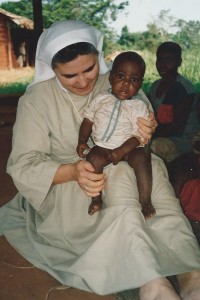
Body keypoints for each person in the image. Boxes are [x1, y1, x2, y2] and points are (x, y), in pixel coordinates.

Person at [0, 20, 200, 300]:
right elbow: (22, 164)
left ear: (98, 57)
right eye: (69, 75)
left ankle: (191, 272)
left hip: (125, 161)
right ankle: (150, 280)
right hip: (71, 184)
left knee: (150, 166)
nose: (83, 81)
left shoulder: (119, 76)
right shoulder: (36, 99)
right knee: (115, 175)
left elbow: (142, 128)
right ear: (52, 69)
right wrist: (73, 171)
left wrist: (148, 129)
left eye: (90, 69)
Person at [77, 51, 155, 219]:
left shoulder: (138, 106)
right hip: (102, 146)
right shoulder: (101, 98)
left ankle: (146, 201)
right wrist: (82, 141)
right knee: (92, 160)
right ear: (111, 77)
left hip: (129, 147)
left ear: (140, 84)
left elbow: (138, 136)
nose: (126, 84)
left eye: (134, 79)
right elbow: (88, 120)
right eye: (121, 76)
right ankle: (96, 199)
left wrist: (121, 152)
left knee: (143, 158)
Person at [150, 41, 200, 163]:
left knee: (155, 145)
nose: (163, 64)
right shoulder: (155, 86)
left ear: (179, 62)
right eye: (159, 59)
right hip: (163, 134)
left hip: (183, 141)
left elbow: (176, 127)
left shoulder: (182, 87)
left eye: (169, 59)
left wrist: (149, 135)